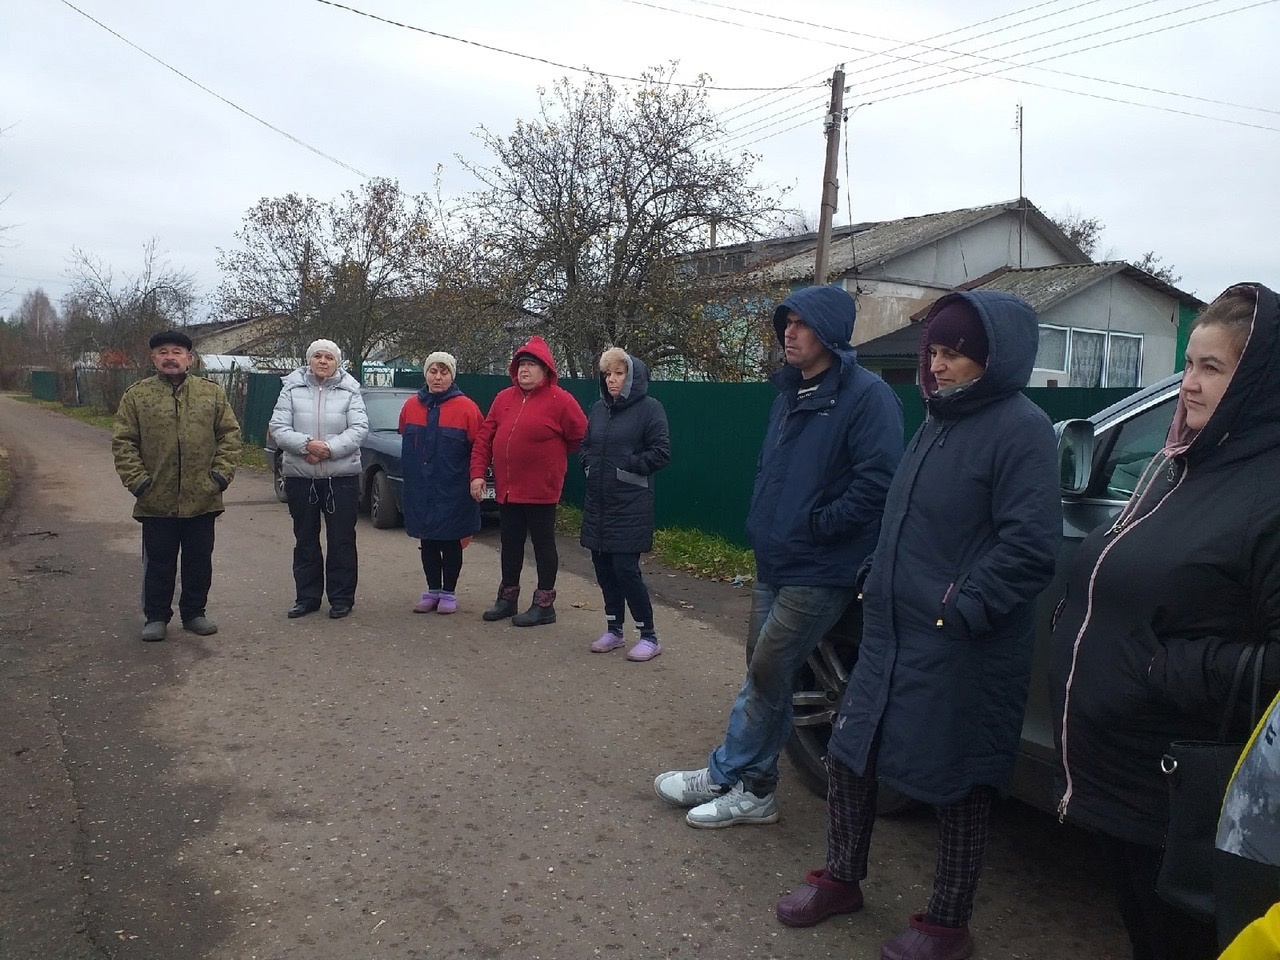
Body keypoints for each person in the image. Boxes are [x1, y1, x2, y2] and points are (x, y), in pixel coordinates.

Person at [774, 291, 1061, 960]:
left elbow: (1029, 548)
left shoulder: (1021, 429)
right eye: (933, 352)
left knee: (957, 782)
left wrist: (959, 604)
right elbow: (907, 516)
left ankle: (947, 924)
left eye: (953, 353)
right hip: (894, 633)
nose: (937, 365)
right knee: (851, 755)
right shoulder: (936, 420)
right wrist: (878, 570)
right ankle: (841, 879)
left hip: (962, 644)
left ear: (991, 360)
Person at [1049, 283, 1280, 960]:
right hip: (1121, 776)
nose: (1190, 385)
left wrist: (1161, 667)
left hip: (1182, 791)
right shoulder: (1181, 465)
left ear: (1260, 380)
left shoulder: (1269, 492)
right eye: (1188, 365)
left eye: (1212, 368)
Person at [652, 283, 903, 827]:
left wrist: (818, 526)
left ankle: (733, 775)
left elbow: (877, 484)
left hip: (824, 565)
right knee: (763, 669)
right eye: (785, 323)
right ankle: (749, 784)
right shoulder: (790, 393)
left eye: (801, 324)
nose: (788, 332)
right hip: (776, 558)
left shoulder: (866, 396)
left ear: (830, 333)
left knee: (770, 667)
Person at [112, 330, 241, 641]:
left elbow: (230, 436)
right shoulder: (137, 396)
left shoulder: (210, 394)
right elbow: (123, 443)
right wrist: (140, 483)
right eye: (163, 352)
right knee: (158, 562)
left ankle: (195, 613)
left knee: (199, 561)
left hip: (202, 498)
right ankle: (156, 617)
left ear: (189, 358)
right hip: (156, 499)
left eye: (177, 352)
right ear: (153, 358)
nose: (170, 357)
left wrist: (219, 477)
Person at [470, 335, 587, 626]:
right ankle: (507, 599)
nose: (525, 370)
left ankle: (544, 604)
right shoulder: (503, 398)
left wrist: (551, 459)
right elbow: (485, 437)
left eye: (531, 365)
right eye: (521, 364)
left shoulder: (562, 400)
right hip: (508, 489)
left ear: (545, 370)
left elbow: (580, 436)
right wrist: (476, 474)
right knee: (510, 544)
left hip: (541, 490)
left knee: (543, 545)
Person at [579, 347, 671, 661]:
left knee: (625, 570)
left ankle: (649, 636)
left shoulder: (650, 409)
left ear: (632, 376)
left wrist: (628, 464)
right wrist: (588, 465)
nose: (613, 380)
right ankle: (614, 630)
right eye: (608, 374)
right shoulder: (598, 409)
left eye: (619, 373)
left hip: (630, 506)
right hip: (598, 505)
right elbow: (586, 444)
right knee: (603, 569)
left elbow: (661, 453)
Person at [268, 339, 368, 620]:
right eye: (318, 356)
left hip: (341, 477)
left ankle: (341, 598)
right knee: (305, 539)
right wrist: (307, 445)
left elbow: (359, 429)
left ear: (337, 362)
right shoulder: (291, 388)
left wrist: (328, 450)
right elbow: (278, 427)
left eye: (329, 357)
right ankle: (307, 597)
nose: (323, 361)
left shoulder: (350, 390)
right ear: (309, 360)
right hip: (302, 477)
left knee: (342, 540)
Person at [398, 351, 483, 615]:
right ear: (426, 374)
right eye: (433, 371)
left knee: (451, 541)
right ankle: (432, 589)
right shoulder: (411, 406)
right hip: (421, 488)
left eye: (443, 372)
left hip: (454, 489)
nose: (438, 377)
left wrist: (475, 479)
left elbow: (479, 448)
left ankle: (449, 592)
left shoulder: (467, 408)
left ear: (452, 376)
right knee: (429, 541)